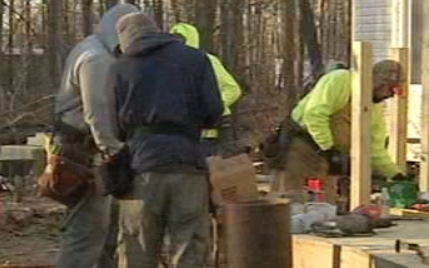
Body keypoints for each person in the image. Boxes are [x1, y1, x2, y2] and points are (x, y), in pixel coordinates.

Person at [109, 12, 223, 268]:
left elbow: (113, 123)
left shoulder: (119, 67)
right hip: (188, 164)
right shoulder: (196, 59)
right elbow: (214, 112)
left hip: (141, 168)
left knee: (135, 255)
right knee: (187, 252)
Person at [47, 2, 139, 268]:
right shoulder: (97, 59)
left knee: (109, 230)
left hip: (86, 150)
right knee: (88, 230)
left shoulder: (93, 50)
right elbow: (97, 113)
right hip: (83, 154)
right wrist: (114, 152)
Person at [271, 60, 404, 204]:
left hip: (330, 151)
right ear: (380, 83)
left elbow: (375, 147)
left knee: (327, 198)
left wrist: (394, 174)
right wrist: (328, 148)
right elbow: (314, 114)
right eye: (392, 90)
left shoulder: (374, 108)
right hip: (301, 142)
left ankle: (323, 220)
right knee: (289, 193)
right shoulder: (340, 81)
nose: (391, 96)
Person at [168, 22, 242, 155]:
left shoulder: (207, 60)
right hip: (179, 135)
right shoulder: (167, 65)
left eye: (181, 39)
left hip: (209, 136)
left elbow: (233, 88)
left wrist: (214, 104)